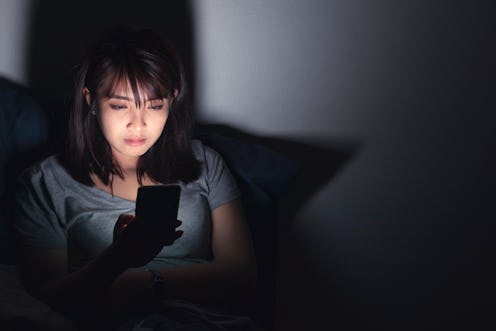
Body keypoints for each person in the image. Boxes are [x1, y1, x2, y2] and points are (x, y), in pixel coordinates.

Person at [13, 26, 258, 330]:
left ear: (173, 100)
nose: (138, 124)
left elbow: (242, 276)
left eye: (155, 106)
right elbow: (48, 298)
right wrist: (118, 258)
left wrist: (141, 282)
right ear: (91, 100)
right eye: (119, 106)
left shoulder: (205, 162)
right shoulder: (45, 184)